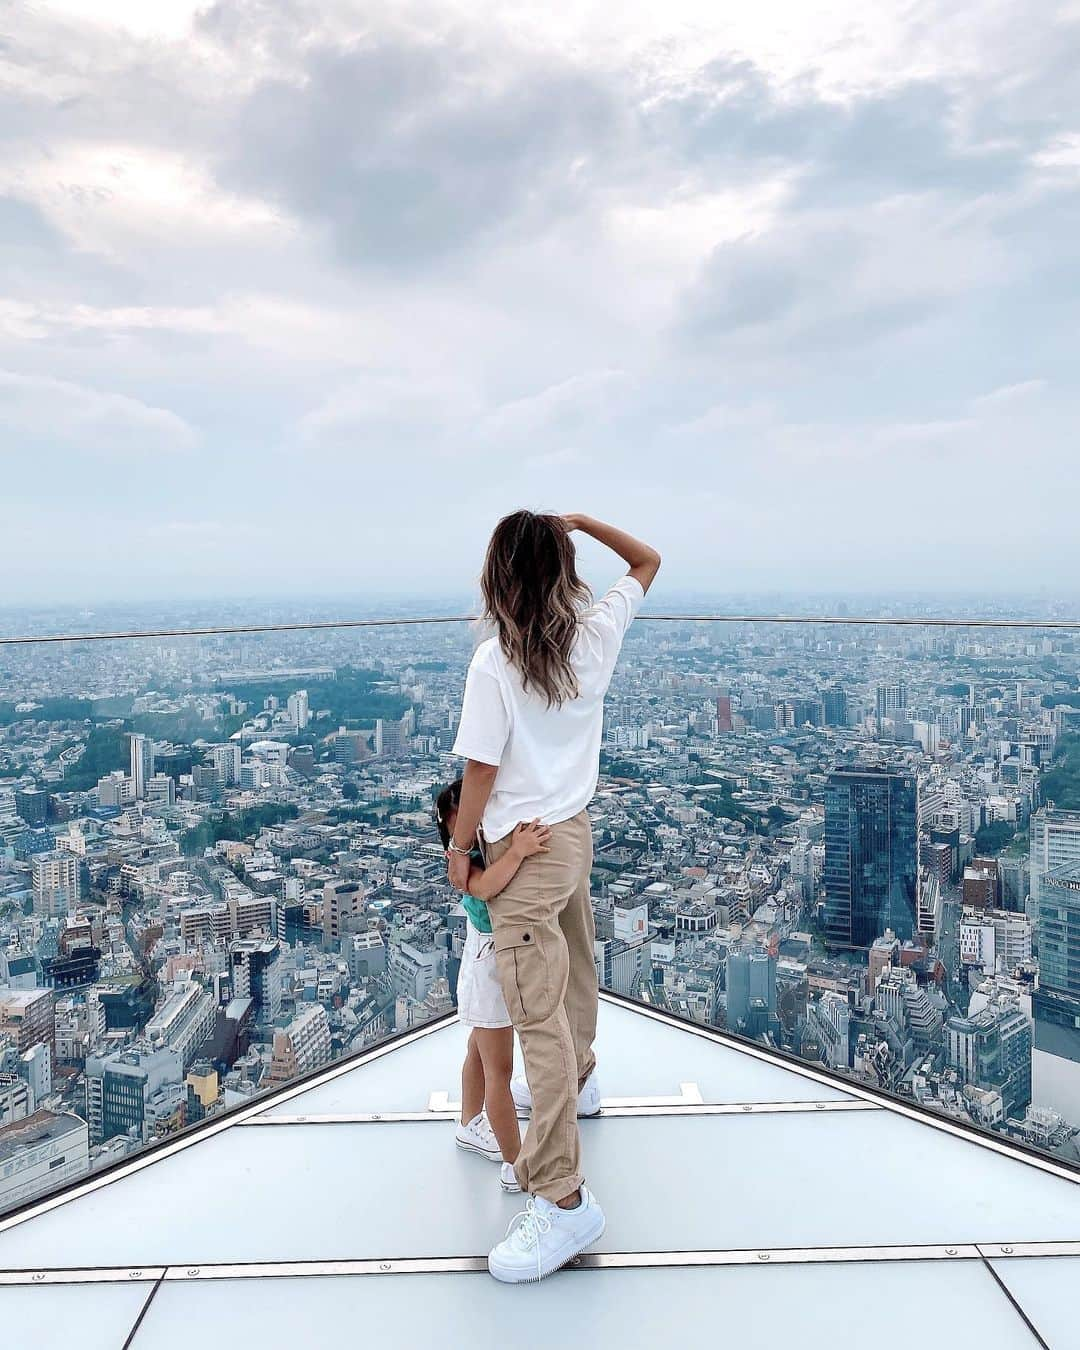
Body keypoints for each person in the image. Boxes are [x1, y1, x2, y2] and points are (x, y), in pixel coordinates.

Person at [447, 510, 661, 1284]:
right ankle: (584, 1079)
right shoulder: (594, 637)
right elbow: (647, 562)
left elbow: (479, 770)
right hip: (571, 835)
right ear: (560, 571)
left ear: (499, 576)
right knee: (575, 975)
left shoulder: (493, 663)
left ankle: (564, 1201)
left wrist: (460, 848)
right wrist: (585, 526)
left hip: (522, 851)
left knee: (536, 1016)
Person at [434, 778, 551, 1194]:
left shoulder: (477, 849)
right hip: (489, 966)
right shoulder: (464, 862)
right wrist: (518, 850)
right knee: (500, 1071)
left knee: (478, 1051)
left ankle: (469, 1124)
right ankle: (514, 1163)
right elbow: (484, 888)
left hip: (485, 962)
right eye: (462, 822)